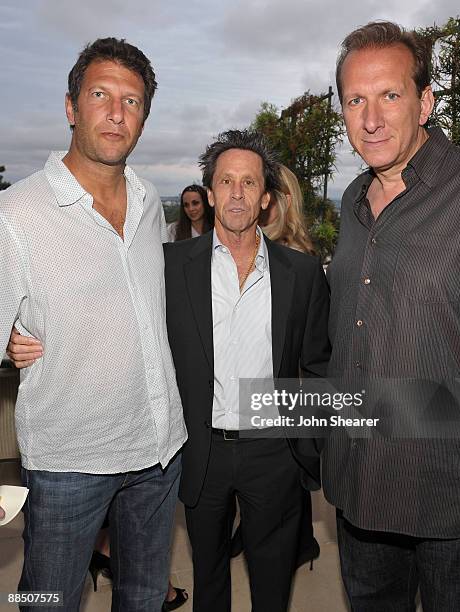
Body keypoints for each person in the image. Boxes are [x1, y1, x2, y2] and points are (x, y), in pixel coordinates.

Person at [0, 38, 186, 611]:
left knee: (144, 598)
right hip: (67, 465)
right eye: (100, 95)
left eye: (132, 102)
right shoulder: (17, 215)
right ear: (70, 106)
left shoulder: (151, 200)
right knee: (49, 603)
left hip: (159, 453)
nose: (115, 113)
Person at [322, 21, 460, 611]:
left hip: (452, 503)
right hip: (360, 492)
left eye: (390, 95)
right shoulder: (351, 202)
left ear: (426, 102)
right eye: (355, 100)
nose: (370, 119)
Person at [163, 129, 329, 612]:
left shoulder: (301, 273)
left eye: (249, 183)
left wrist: (307, 444)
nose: (237, 193)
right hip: (202, 451)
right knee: (208, 579)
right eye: (227, 182)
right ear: (210, 194)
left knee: (272, 584)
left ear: (265, 200)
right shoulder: (171, 265)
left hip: (273, 453)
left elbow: (318, 365)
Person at [230, 163, 319, 567]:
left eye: (257, 188)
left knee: (285, 485)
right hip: (252, 390)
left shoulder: (295, 259)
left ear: (277, 200)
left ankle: (292, 543)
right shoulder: (249, 249)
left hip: (286, 394)